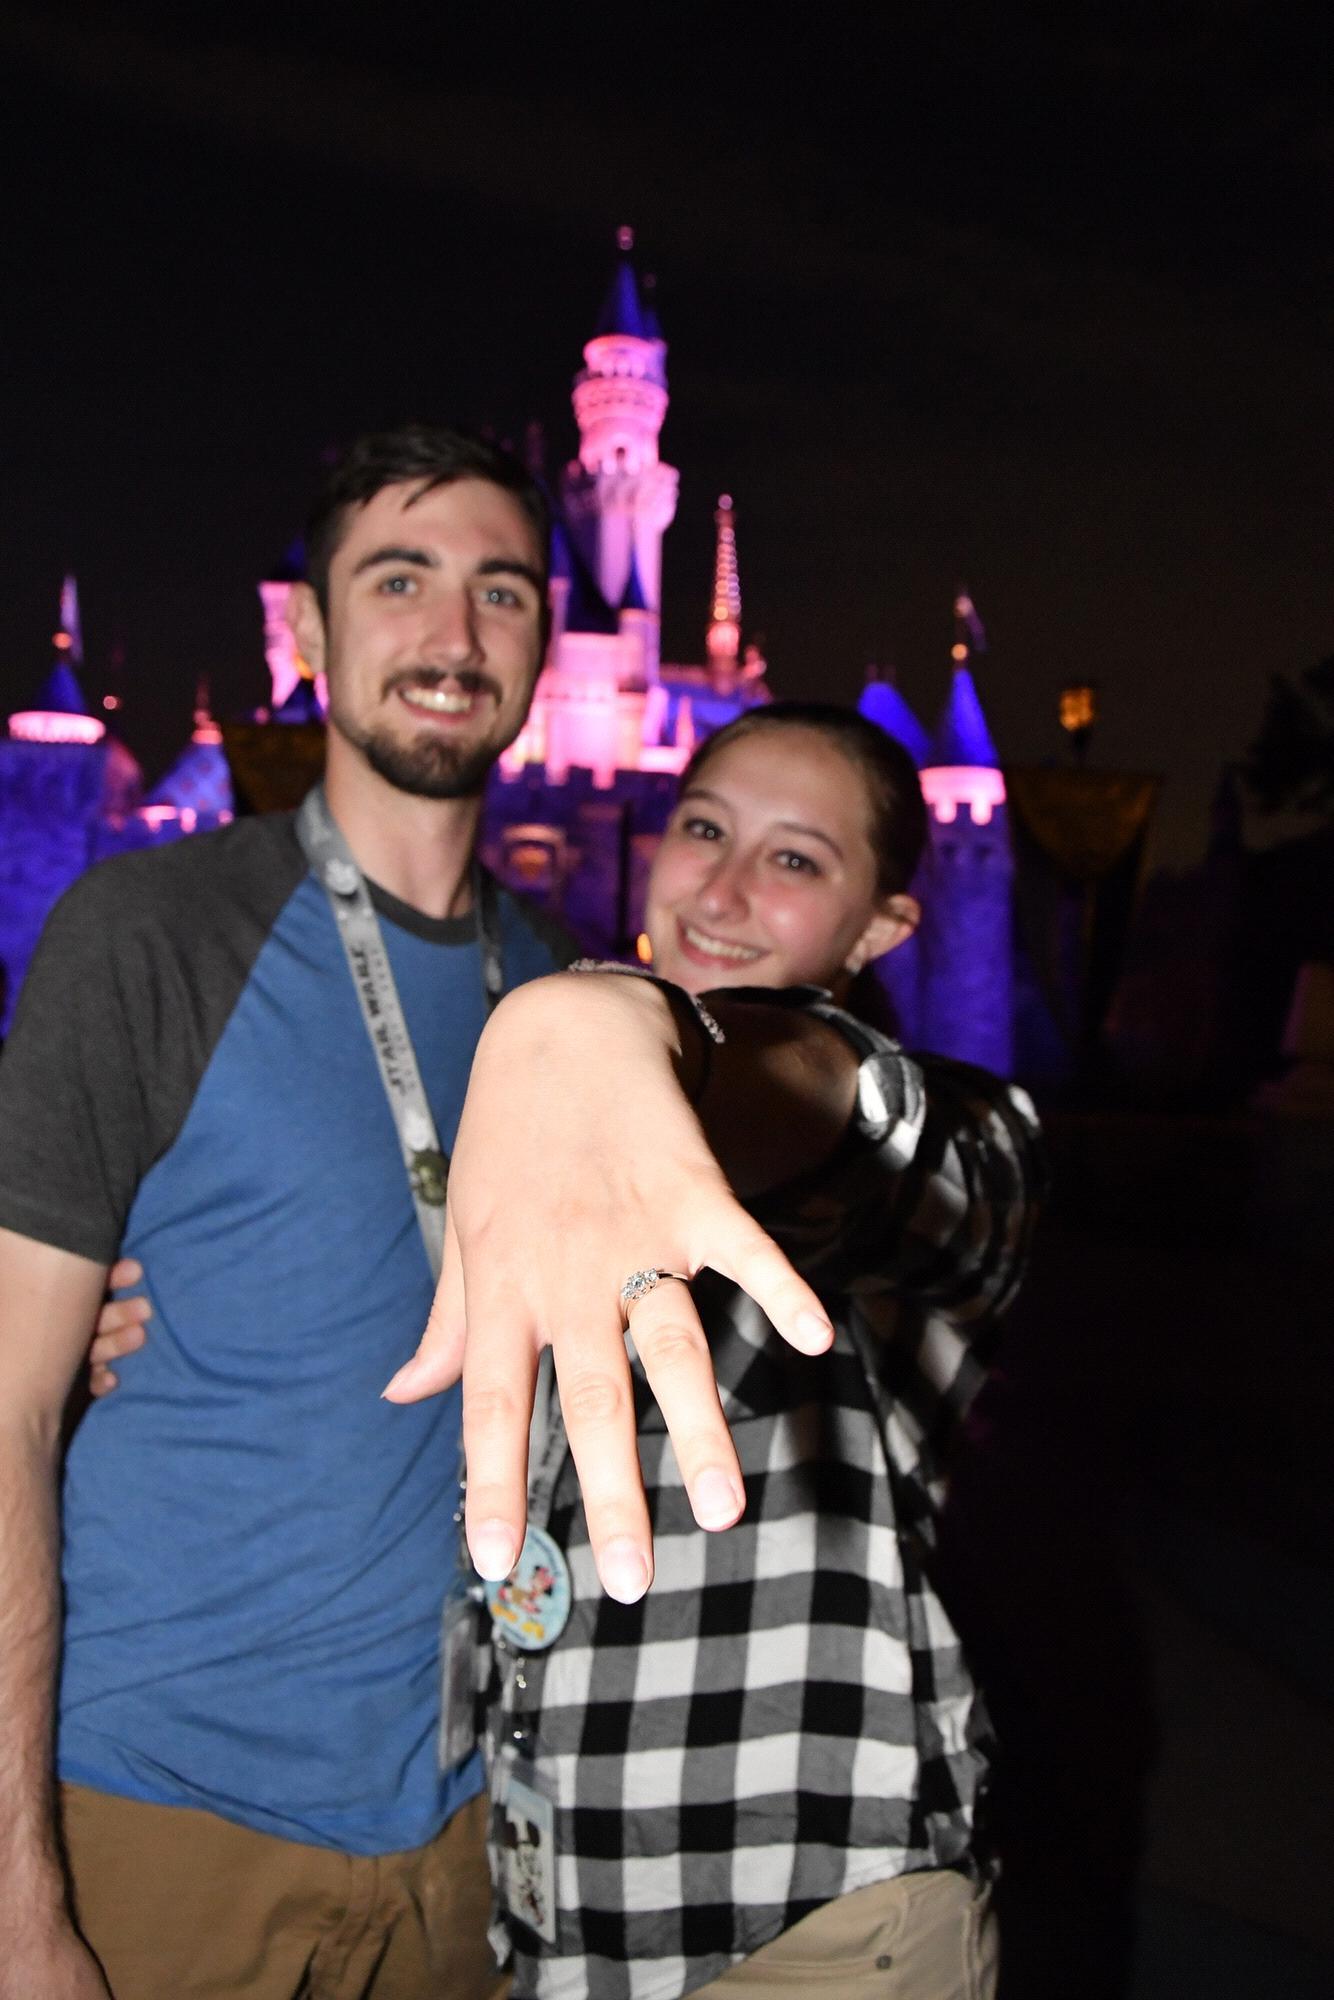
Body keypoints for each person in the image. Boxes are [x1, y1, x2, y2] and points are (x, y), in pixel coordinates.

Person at [0, 424, 581, 2000]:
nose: (454, 639)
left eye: (501, 593)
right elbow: (7, 1412)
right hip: (157, 1820)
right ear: (306, 633)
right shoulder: (151, 934)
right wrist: (14, 1899)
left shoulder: (566, 997)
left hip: (465, 1830)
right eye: (399, 583)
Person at [384, 705, 1044, 1998]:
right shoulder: (544, 1154)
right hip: (554, 1902)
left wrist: (602, 1021)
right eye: (701, 829)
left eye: (796, 860)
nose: (725, 889)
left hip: (800, 1915)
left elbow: (847, 1105)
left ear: (881, 928)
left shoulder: (959, 1146)